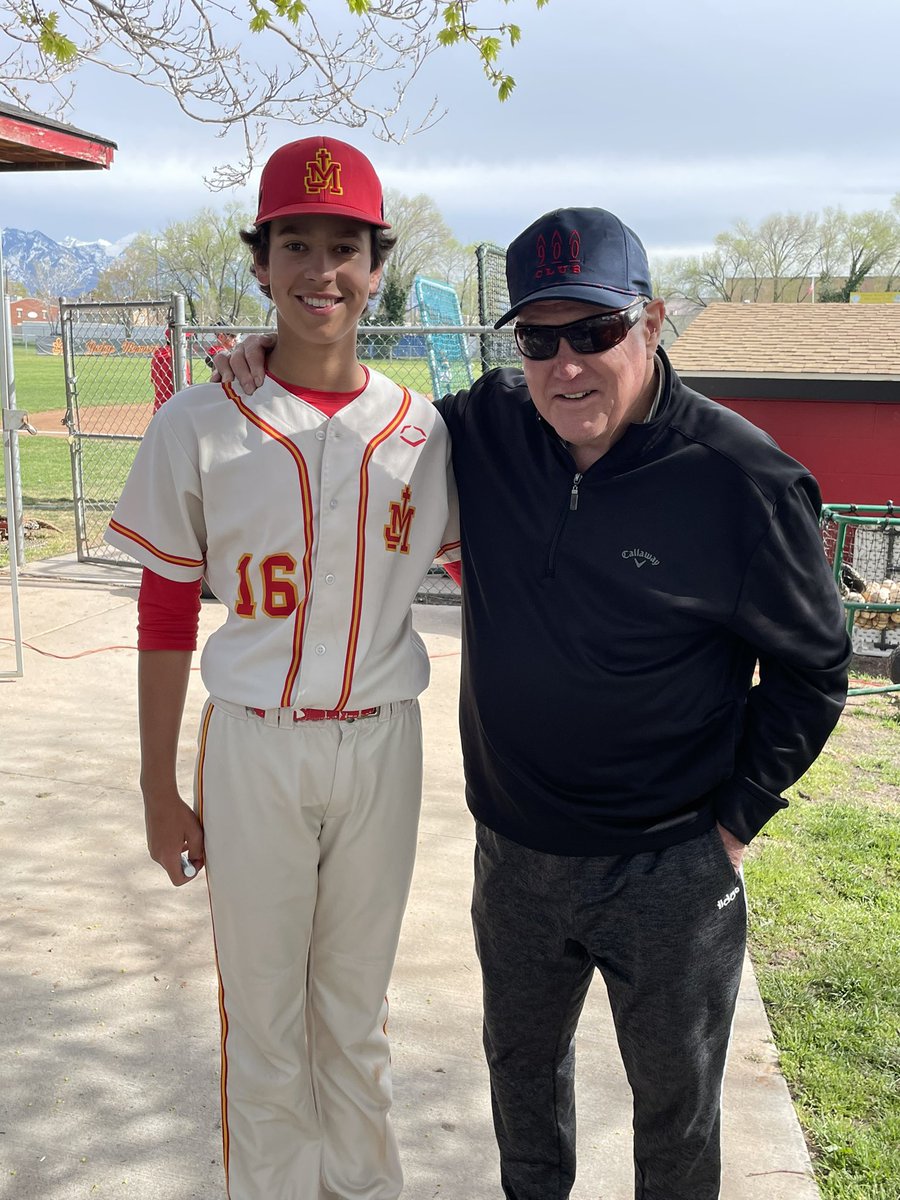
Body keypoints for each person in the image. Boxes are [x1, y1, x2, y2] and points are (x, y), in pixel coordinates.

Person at [215, 205, 851, 1200]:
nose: (568, 365)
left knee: (675, 1118)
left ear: (653, 321)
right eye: (540, 338)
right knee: (522, 1095)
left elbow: (816, 670)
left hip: (669, 866)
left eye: (596, 331)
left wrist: (732, 822)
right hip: (515, 853)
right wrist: (281, 351)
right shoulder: (488, 429)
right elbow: (364, 418)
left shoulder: (744, 482)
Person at [105, 135, 460, 1200]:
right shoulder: (198, 421)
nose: (321, 270)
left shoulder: (427, 433)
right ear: (259, 263)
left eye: (344, 245)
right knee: (264, 1024)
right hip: (254, 746)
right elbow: (166, 608)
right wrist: (156, 786)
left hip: (382, 745)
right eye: (294, 244)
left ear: (377, 263)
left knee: (355, 1020)